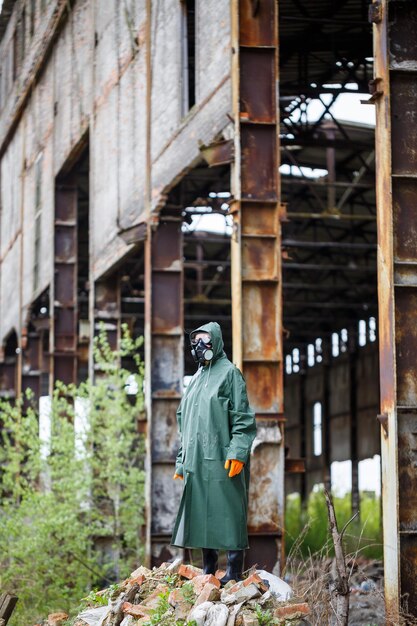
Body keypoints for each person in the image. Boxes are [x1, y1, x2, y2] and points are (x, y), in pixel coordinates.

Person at [171, 321, 256, 584]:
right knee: (200, 512)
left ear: (216, 342)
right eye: (195, 341)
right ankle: (208, 569)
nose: (199, 346)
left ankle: (233, 570)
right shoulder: (195, 379)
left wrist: (238, 453)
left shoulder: (230, 373)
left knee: (229, 512)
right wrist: (181, 461)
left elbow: (243, 418)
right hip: (196, 461)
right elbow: (184, 422)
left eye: (205, 340)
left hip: (222, 457)